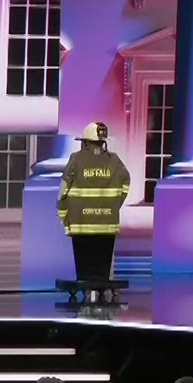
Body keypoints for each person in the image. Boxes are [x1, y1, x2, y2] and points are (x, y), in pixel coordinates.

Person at [58, 122, 131, 285]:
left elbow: (63, 189)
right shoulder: (115, 161)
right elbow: (126, 181)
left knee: (84, 272)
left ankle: (86, 298)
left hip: (81, 224)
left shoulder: (76, 159)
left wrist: (62, 213)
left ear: (85, 142)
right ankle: (100, 294)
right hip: (107, 225)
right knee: (102, 271)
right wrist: (115, 203)